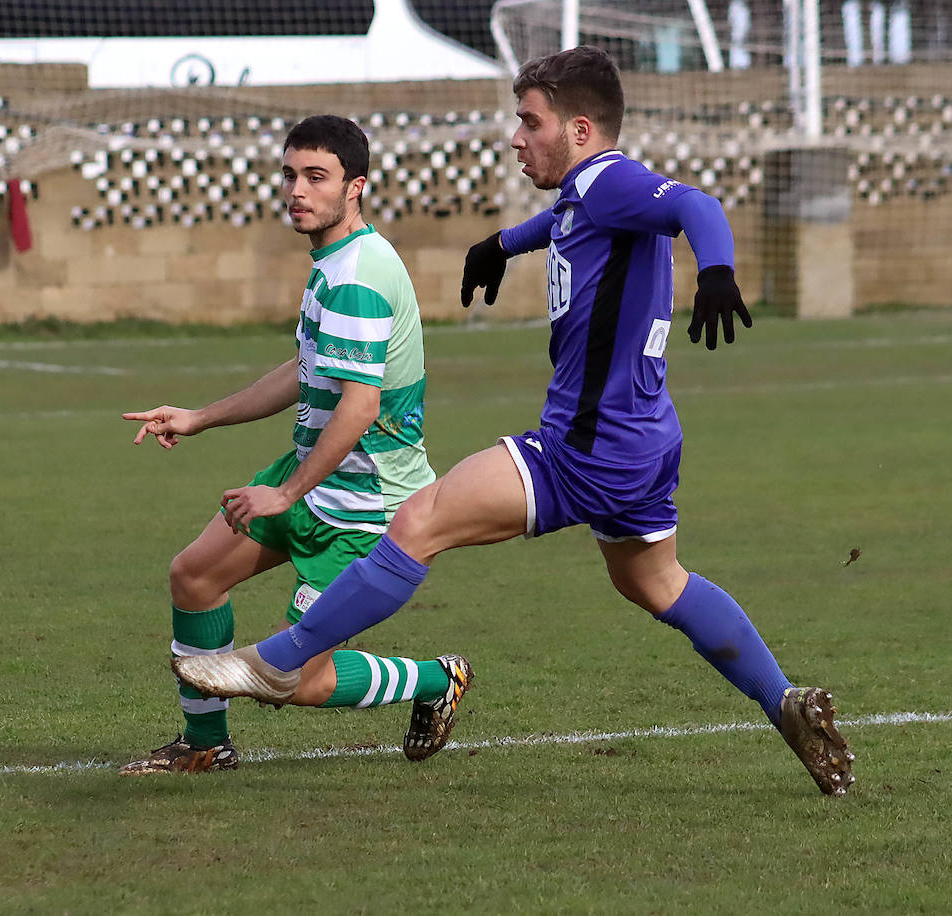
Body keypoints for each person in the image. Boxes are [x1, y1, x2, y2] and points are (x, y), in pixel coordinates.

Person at [175, 47, 856, 795]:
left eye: (530, 122)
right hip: (643, 442)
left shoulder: (615, 179)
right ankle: (782, 698)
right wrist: (501, 245)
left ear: (582, 129)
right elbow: (564, 218)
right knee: (656, 583)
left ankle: (275, 662)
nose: (516, 137)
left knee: (419, 520)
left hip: (581, 447)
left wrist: (717, 267)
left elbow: (696, 205)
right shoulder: (587, 194)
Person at [119, 114, 472, 776]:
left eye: (316, 177)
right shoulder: (333, 263)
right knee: (194, 576)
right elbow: (306, 370)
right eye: (289, 175)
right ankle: (204, 746)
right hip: (317, 480)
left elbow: (361, 406)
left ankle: (435, 680)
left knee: (294, 681)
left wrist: (283, 493)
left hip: (368, 507)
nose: (297, 191)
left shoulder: (359, 276)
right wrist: (200, 417)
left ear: (355, 187)